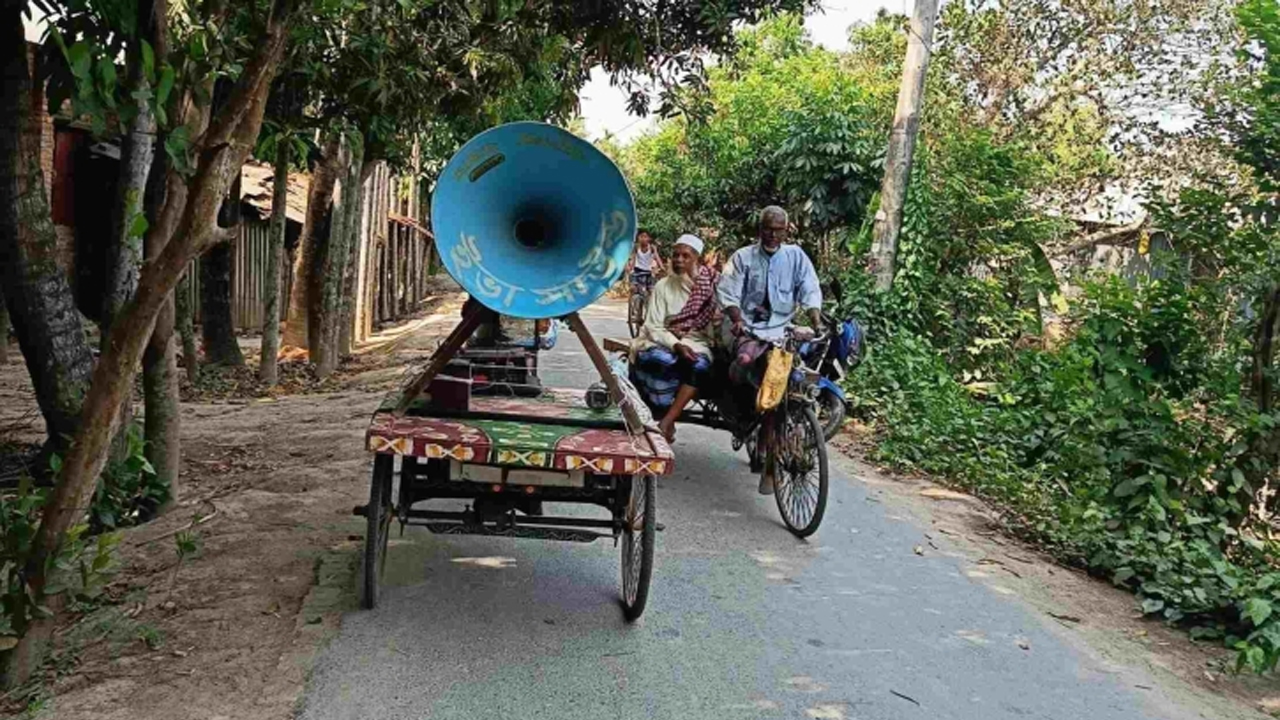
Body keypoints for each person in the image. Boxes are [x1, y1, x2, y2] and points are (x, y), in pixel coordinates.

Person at [715, 206, 822, 494]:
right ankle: (740, 412)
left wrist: (814, 316)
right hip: (746, 326)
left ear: (787, 231)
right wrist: (736, 319)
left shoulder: (796, 257)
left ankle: (780, 434)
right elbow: (728, 292)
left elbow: (809, 288)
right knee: (746, 359)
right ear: (759, 229)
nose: (773, 235)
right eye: (767, 229)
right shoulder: (742, 257)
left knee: (798, 373)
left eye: (779, 230)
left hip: (781, 329)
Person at [632, 234, 718, 441]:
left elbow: (714, 329)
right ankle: (657, 410)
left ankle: (667, 421)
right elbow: (653, 325)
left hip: (697, 342)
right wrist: (676, 344)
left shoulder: (710, 287)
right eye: (676, 255)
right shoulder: (663, 286)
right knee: (656, 360)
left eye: (685, 256)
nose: (679, 260)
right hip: (662, 340)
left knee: (698, 366)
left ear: (696, 259)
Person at [626, 229, 664, 298]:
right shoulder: (636, 247)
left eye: (645, 236)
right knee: (633, 288)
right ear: (638, 238)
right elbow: (633, 258)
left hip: (648, 272)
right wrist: (630, 267)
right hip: (637, 271)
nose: (643, 238)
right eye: (641, 236)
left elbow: (657, 257)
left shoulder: (652, 247)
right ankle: (631, 305)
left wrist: (662, 267)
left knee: (651, 291)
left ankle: (649, 306)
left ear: (649, 238)